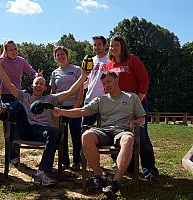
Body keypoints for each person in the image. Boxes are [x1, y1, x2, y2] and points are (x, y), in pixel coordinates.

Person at [0, 50, 87, 186]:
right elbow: (8, 84)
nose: (38, 85)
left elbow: (70, 91)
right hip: (26, 129)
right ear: (32, 85)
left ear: (45, 87)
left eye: (41, 84)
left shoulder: (51, 98)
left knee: (55, 132)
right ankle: (1, 110)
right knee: (18, 106)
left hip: (41, 132)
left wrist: (83, 76)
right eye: (36, 83)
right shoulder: (25, 96)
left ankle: (41, 172)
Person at [52, 71, 146, 195]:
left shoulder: (131, 97)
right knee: (86, 136)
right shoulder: (100, 99)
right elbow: (82, 111)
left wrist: (134, 123)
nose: (106, 85)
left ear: (117, 80)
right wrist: (62, 112)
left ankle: (115, 182)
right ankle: (99, 176)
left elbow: (142, 118)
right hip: (104, 131)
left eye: (108, 82)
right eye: (103, 83)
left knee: (128, 139)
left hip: (122, 131)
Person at [104, 35, 159, 180]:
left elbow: (144, 80)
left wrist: (137, 101)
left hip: (138, 103)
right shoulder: (109, 65)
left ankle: (149, 170)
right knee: (118, 134)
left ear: (122, 47)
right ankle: (127, 167)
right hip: (117, 107)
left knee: (142, 136)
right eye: (111, 45)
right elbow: (107, 85)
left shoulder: (133, 60)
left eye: (116, 45)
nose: (113, 48)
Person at [49, 46, 83, 170]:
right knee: (61, 135)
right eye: (57, 55)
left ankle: (77, 161)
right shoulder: (54, 73)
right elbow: (53, 91)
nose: (60, 56)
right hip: (59, 108)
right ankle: (64, 161)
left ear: (67, 55)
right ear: (55, 57)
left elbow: (80, 88)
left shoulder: (76, 69)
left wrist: (77, 104)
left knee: (75, 134)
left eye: (62, 54)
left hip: (74, 106)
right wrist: (53, 106)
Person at [82, 35, 109, 127]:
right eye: (94, 45)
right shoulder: (91, 60)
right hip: (90, 99)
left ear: (104, 45)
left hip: (105, 100)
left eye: (99, 44)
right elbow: (89, 81)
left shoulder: (110, 59)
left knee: (105, 130)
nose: (96, 47)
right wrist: (76, 89)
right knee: (85, 128)